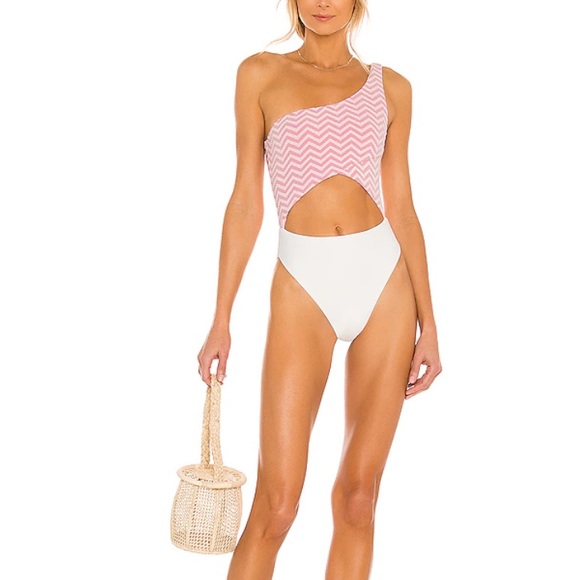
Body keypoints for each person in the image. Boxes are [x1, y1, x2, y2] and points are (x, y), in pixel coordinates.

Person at [197, 1, 442, 577]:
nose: (323, 3)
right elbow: (245, 201)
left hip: (385, 284)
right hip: (302, 285)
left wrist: (430, 325)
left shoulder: (392, 88)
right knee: (277, 506)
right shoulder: (260, 74)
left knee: (359, 499)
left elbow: (403, 207)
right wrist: (221, 317)